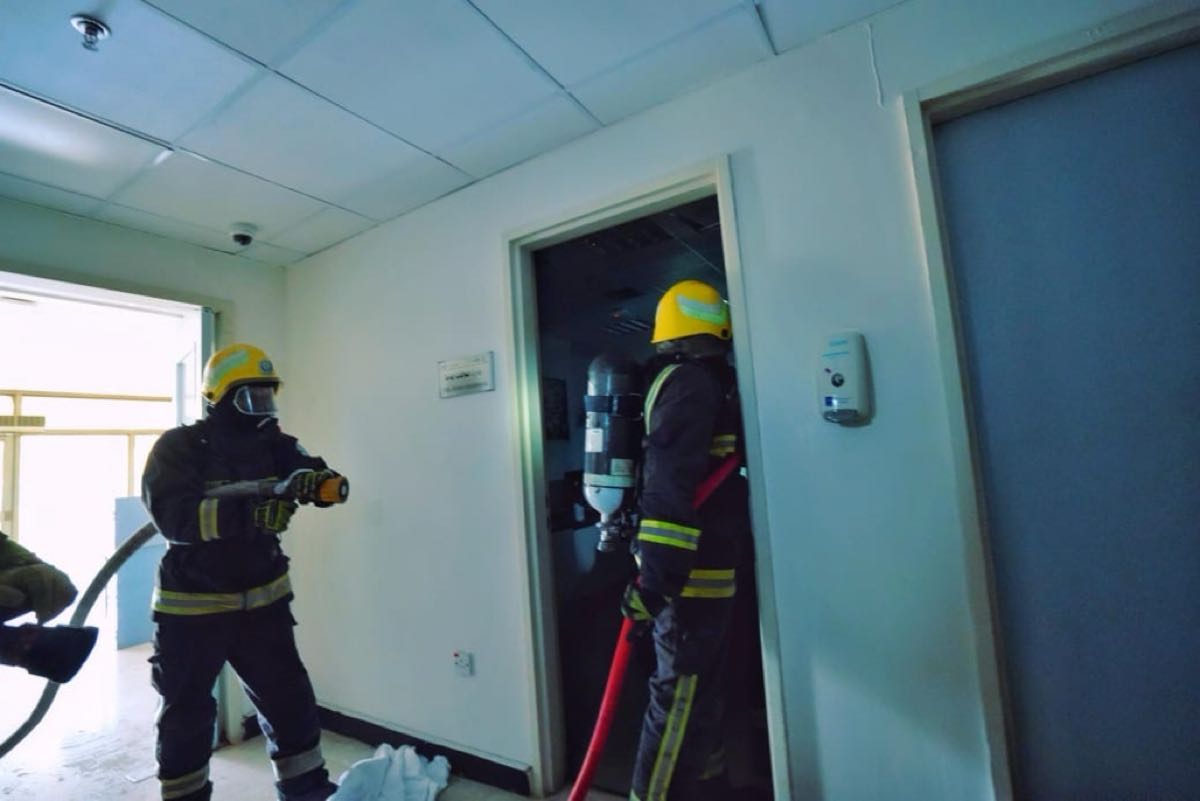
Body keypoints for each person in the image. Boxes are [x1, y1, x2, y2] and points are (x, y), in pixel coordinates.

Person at [141, 343, 342, 801]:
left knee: (288, 701)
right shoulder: (178, 448)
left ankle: (307, 789)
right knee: (187, 714)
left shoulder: (275, 444)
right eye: (251, 397)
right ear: (221, 397)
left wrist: (319, 482)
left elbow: (309, 470)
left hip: (263, 602)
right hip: (193, 608)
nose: (263, 407)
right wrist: (249, 515)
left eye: (267, 395)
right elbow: (173, 518)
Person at [620, 279, 757, 801]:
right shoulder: (692, 383)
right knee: (678, 699)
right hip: (689, 579)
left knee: (701, 695)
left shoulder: (704, 384)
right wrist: (657, 582)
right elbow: (668, 484)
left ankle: (708, 787)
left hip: (707, 571)